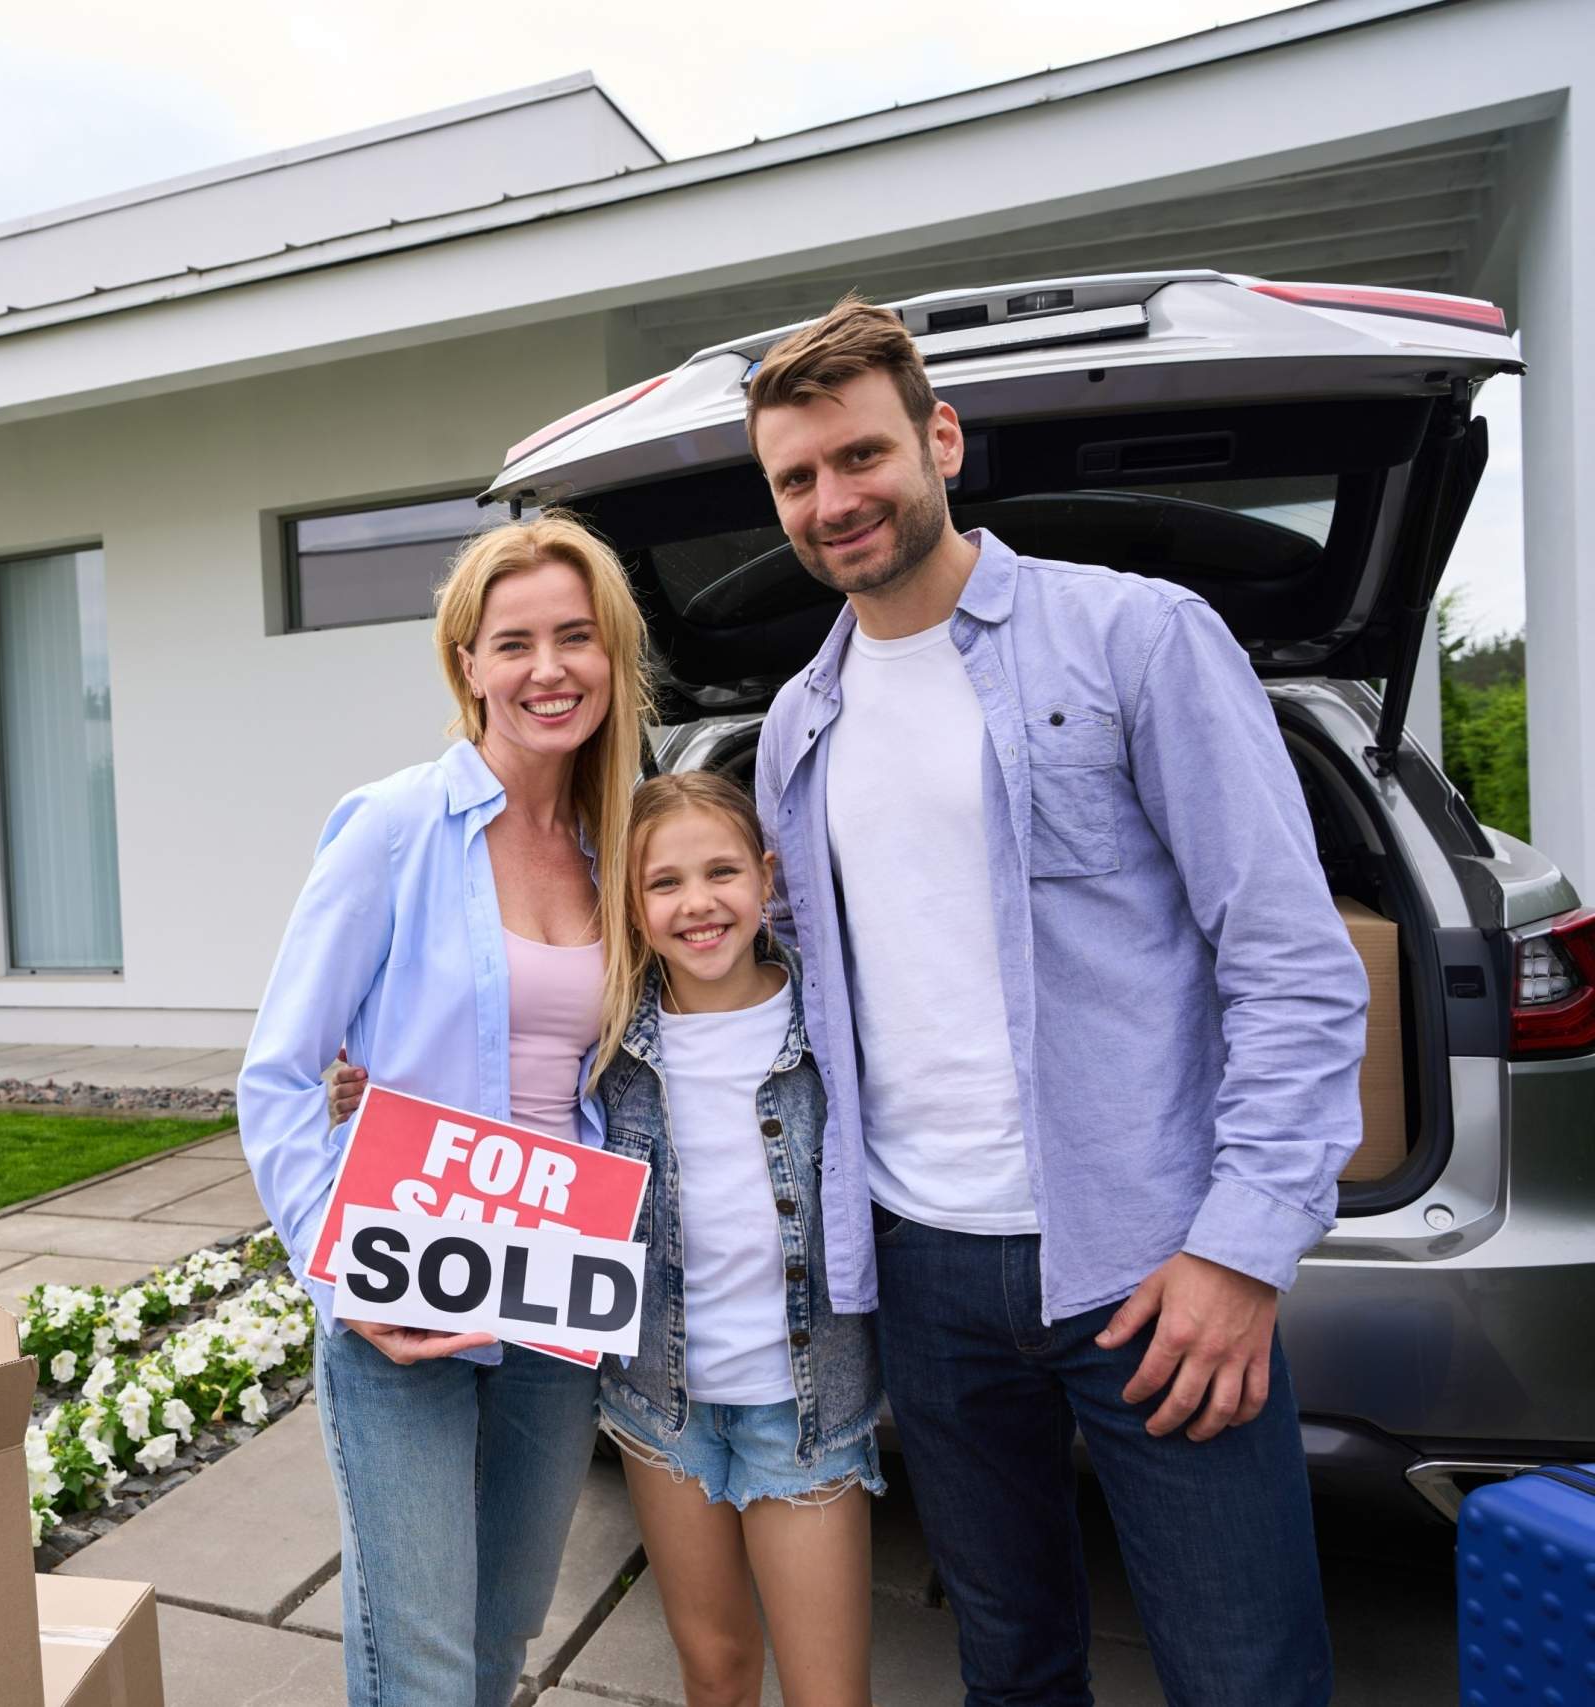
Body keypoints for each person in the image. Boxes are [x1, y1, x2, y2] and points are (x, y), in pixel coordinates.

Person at [746, 295, 1367, 1706]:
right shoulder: (796, 725)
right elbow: (772, 982)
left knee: (1246, 1674)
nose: (832, 501)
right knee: (1012, 1668)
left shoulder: (1134, 637)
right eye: (795, 477)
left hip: (1151, 1257)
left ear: (940, 440)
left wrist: (1242, 1249)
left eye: (860, 455)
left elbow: (1288, 958)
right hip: (922, 1265)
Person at [327, 770, 884, 1707]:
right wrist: (370, 1093)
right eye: (664, 882)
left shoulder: (830, 1022)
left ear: (767, 875)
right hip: (662, 1407)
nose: (698, 902)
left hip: (803, 1404)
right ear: (630, 904)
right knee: (715, 1670)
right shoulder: (613, 1040)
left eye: (722, 872)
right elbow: (501, 1089)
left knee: (828, 1691)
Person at [236, 513, 656, 1707]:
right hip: (406, 1292)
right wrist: (338, 1272)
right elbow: (278, 1073)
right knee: (418, 1670)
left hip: (554, 1292)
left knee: (497, 1644)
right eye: (513, 642)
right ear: (466, 663)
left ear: (612, 656)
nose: (547, 669)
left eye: (575, 637)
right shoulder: (393, 826)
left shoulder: (617, 843)